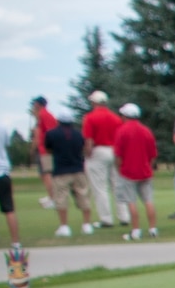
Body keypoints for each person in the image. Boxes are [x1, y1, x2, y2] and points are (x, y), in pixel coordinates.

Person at [43, 107, 95, 236]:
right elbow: (84, 147)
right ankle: (87, 225)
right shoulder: (79, 134)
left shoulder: (51, 134)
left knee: (61, 199)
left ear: (59, 120)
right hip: (78, 169)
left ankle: (64, 227)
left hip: (60, 170)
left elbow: (48, 150)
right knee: (84, 196)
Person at [112, 103, 159, 240]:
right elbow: (153, 154)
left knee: (131, 202)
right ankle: (152, 228)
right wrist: (149, 167)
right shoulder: (146, 131)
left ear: (125, 116)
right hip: (145, 171)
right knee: (148, 200)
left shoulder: (122, 131)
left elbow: (118, 155)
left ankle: (136, 230)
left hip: (128, 172)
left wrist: (119, 168)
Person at [81, 90, 125, 225]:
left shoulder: (90, 117)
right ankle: (124, 216)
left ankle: (106, 218)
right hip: (114, 151)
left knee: (100, 187)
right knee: (117, 185)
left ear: (94, 102)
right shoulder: (116, 118)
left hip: (99, 150)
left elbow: (88, 140)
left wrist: (87, 154)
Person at [29, 96, 58, 208]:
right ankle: (51, 196)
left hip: (46, 150)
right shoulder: (44, 115)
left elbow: (49, 133)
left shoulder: (43, 115)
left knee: (47, 174)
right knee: (44, 174)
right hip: (45, 149)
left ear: (38, 105)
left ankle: (53, 199)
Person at [0, 139, 16, 246]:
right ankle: (16, 242)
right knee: (9, 209)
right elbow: (7, 144)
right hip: (2, 172)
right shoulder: (2, 127)